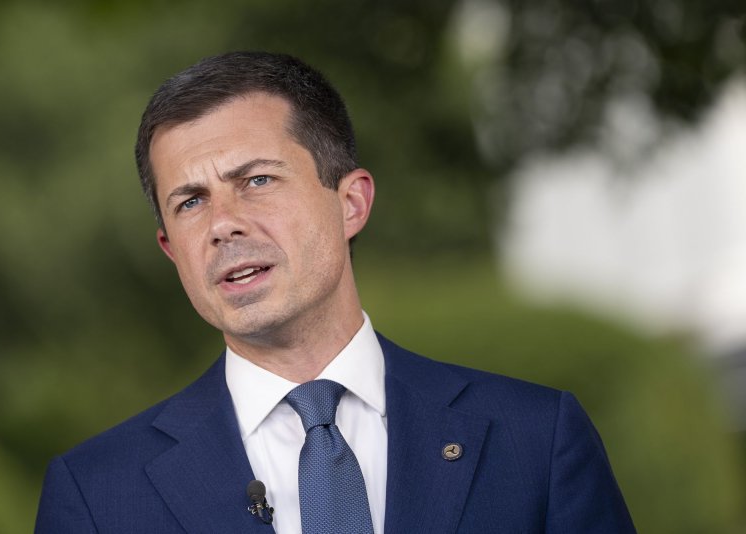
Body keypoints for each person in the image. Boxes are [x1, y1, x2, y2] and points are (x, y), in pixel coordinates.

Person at [35, 51, 635, 533]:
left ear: (351, 203)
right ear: (171, 249)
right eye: (191, 201)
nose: (223, 224)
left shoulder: (534, 440)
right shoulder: (96, 496)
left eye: (258, 180)